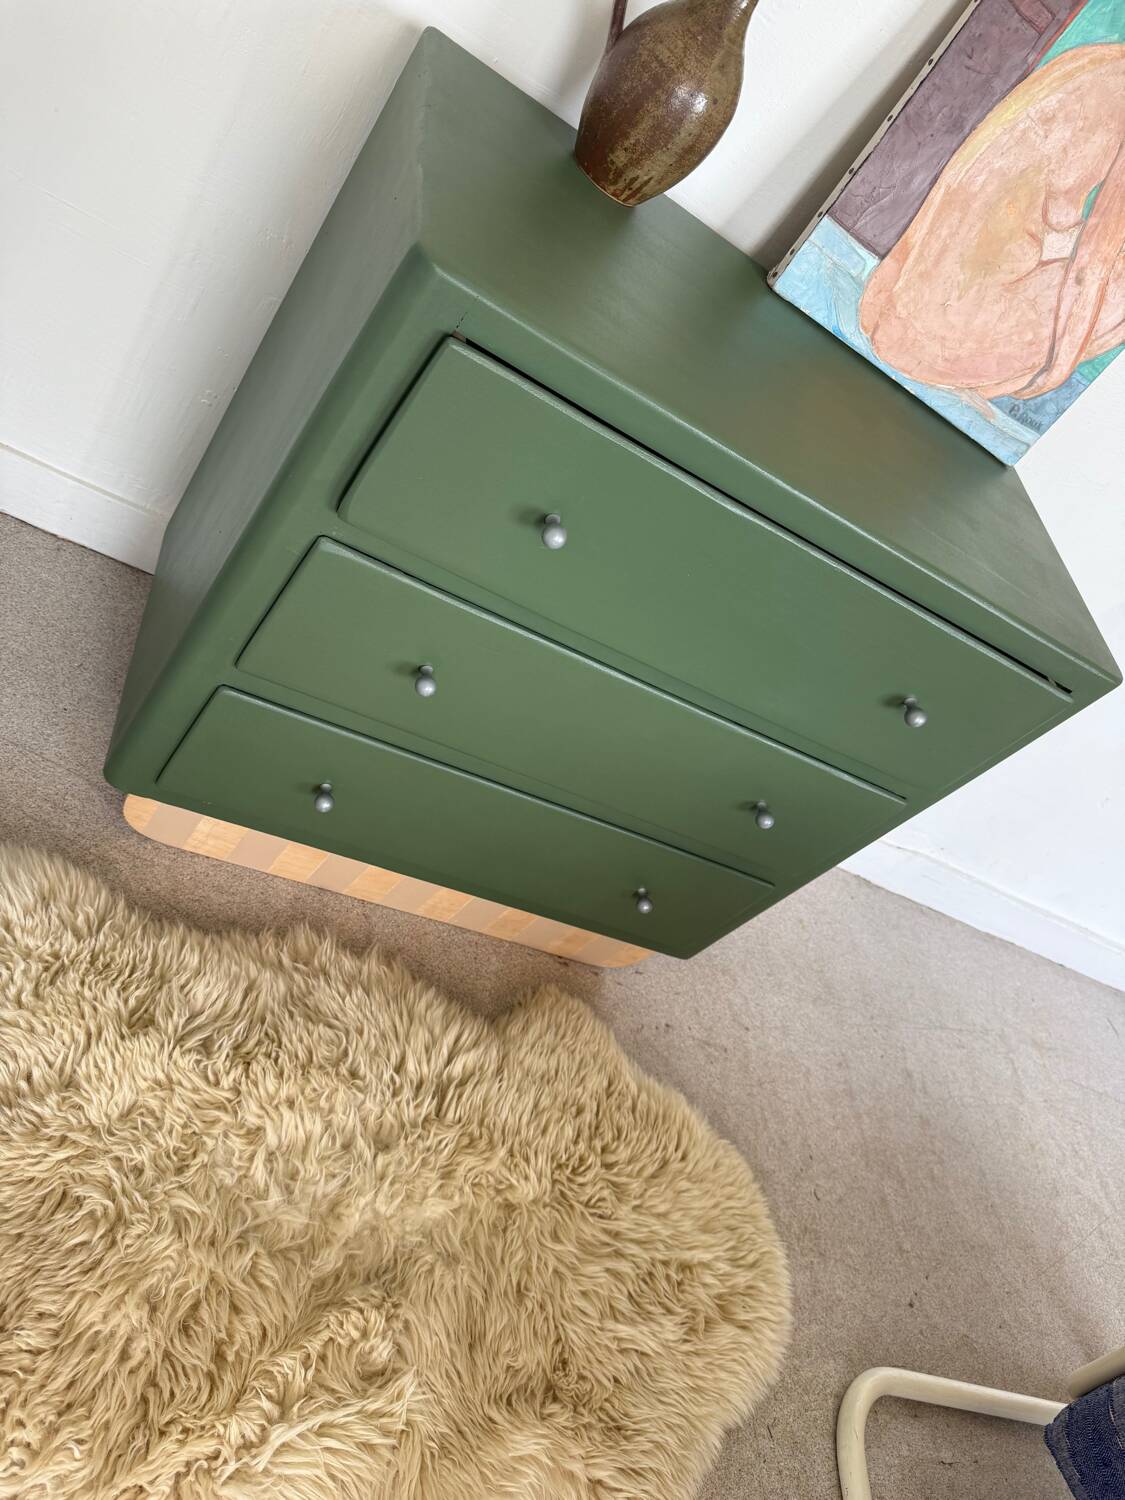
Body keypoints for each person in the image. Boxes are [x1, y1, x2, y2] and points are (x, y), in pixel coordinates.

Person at [859, 43, 1125, 402]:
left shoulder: (1096, 61)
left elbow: (1058, 207)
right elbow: (1092, 265)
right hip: (944, 342)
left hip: (893, 307)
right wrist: (1055, 374)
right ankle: (1005, 376)